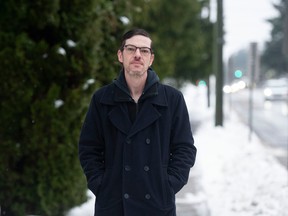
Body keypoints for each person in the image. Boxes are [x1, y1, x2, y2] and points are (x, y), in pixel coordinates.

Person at [78, 28, 197, 216]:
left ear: (151, 59)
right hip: (113, 205)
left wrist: (169, 184)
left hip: (157, 204)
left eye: (144, 50)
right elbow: (88, 148)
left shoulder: (172, 99)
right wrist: (100, 183)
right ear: (120, 55)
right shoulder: (102, 99)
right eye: (131, 49)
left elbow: (185, 148)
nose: (137, 55)